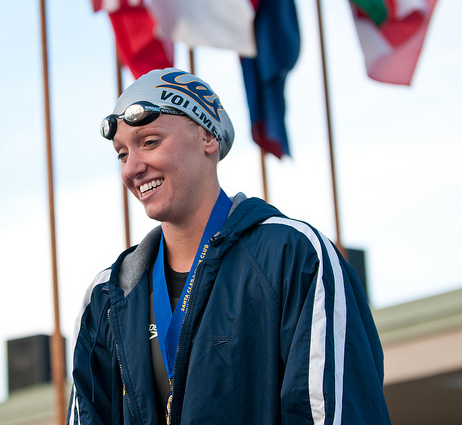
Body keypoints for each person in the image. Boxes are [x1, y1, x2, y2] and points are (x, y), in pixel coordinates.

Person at [67, 68, 391, 425]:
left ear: (207, 137)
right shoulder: (108, 297)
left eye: (150, 142)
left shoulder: (292, 256)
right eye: (121, 154)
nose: (132, 168)